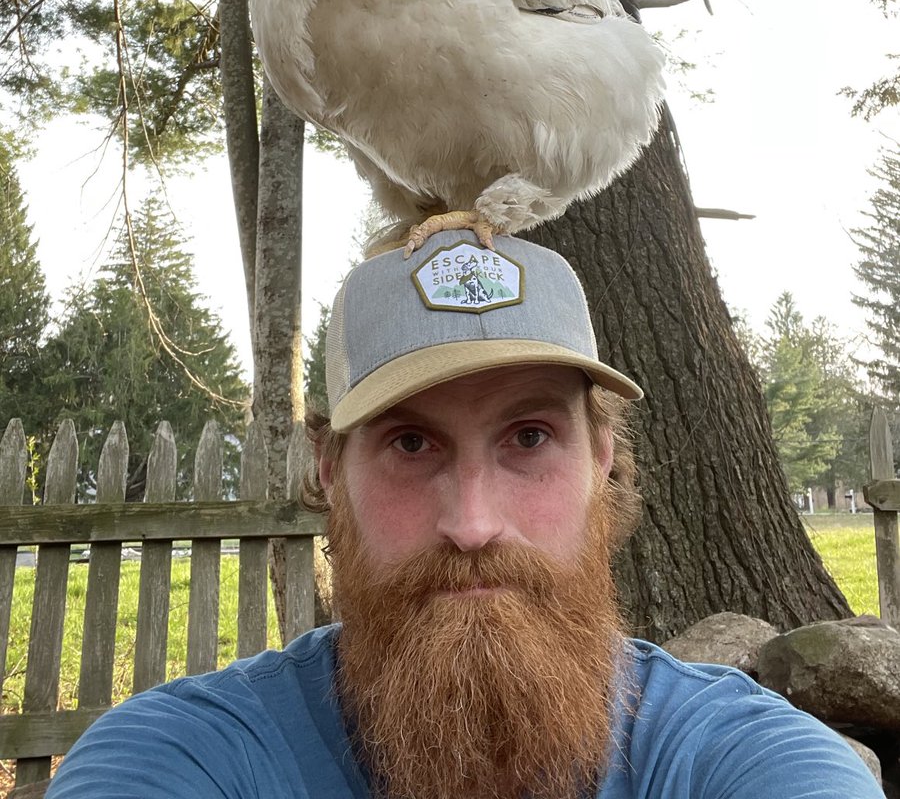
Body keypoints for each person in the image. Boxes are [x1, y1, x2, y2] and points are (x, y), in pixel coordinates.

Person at [48, 231, 882, 799]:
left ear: (601, 458)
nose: (473, 523)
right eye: (412, 443)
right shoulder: (182, 762)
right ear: (331, 471)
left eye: (528, 436)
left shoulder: (742, 761)